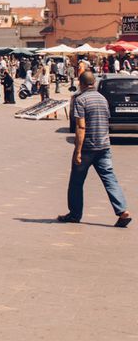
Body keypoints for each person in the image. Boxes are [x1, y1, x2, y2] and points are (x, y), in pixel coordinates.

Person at [58, 71, 131, 227]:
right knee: (110, 179)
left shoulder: (81, 99)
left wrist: (77, 151)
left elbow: (81, 126)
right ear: (94, 83)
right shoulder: (103, 99)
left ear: (81, 83)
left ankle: (75, 214)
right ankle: (122, 211)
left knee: (76, 183)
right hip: (104, 146)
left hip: (87, 148)